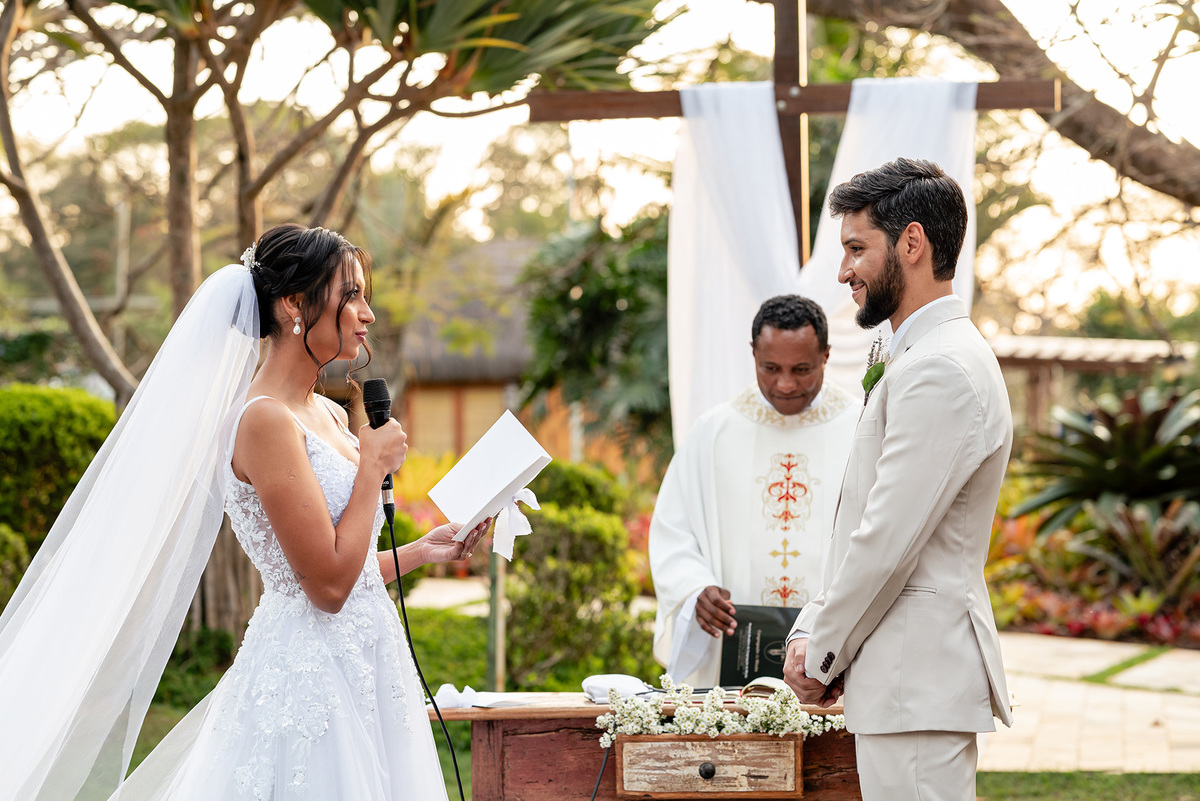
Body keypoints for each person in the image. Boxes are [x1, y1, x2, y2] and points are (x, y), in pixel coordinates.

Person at [0, 224, 488, 800]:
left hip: (370, 663)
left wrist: (421, 552)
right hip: (312, 681)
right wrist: (371, 470)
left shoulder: (328, 416)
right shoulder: (263, 421)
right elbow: (325, 587)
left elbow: (344, 568)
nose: (367, 313)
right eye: (351, 295)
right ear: (293, 306)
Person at [783, 158, 1014, 801]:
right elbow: (868, 519)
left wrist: (820, 650)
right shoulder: (918, 356)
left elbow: (888, 538)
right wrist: (813, 627)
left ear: (911, 243)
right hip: (904, 682)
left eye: (857, 248)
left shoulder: (942, 367)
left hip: (918, 682)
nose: (844, 271)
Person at [649, 295, 857, 688]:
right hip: (731, 649)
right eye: (770, 368)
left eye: (802, 369)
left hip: (834, 647)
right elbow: (672, 532)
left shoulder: (861, 427)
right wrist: (695, 589)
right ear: (752, 354)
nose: (785, 384)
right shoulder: (713, 433)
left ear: (826, 355)